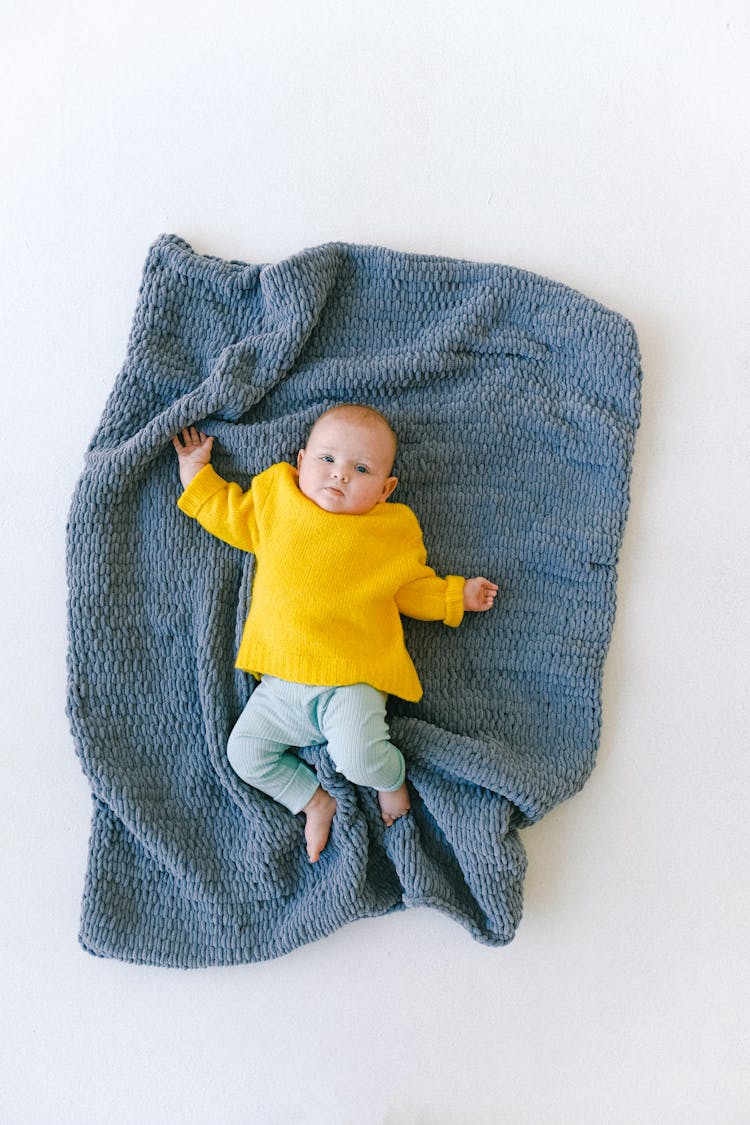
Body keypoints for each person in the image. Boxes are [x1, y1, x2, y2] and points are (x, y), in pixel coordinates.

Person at [172, 404, 498, 862]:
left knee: (360, 759)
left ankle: (391, 778)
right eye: (327, 460)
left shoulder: (389, 533)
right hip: (281, 683)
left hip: (351, 680)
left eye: (360, 469)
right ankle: (313, 800)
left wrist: (456, 596)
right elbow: (228, 513)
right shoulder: (277, 503)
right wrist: (196, 471)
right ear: (301, 462)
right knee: (244, 754)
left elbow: (412, 589)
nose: (340, 475)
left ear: (385, 490)